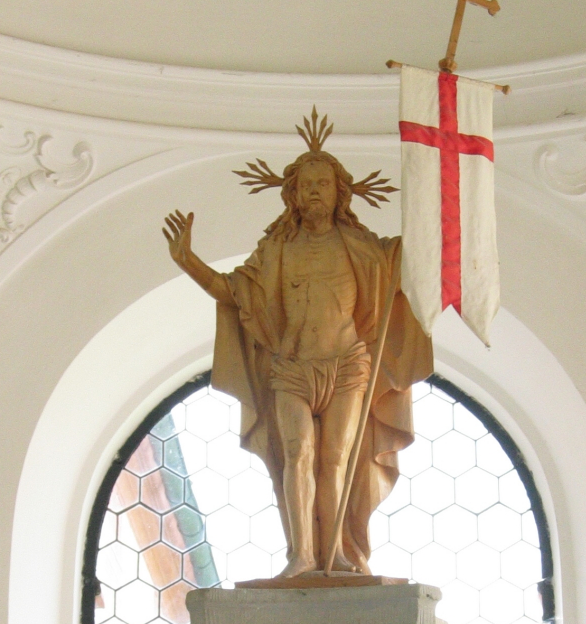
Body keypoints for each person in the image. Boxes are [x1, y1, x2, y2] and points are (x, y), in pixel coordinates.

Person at [163, 147, 432, 578]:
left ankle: (336, 553)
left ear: (340, 192)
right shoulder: (276, 250)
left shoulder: (361, 247)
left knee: (336, 460)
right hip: (292, 367)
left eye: (322, 183)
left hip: (346, 366)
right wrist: (187, 261)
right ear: (292, 194)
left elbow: (411, 257)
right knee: (297, 453)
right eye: (305, 185)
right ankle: (302, 555)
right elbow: (233, 292)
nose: (314, 192)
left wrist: (435, 205)